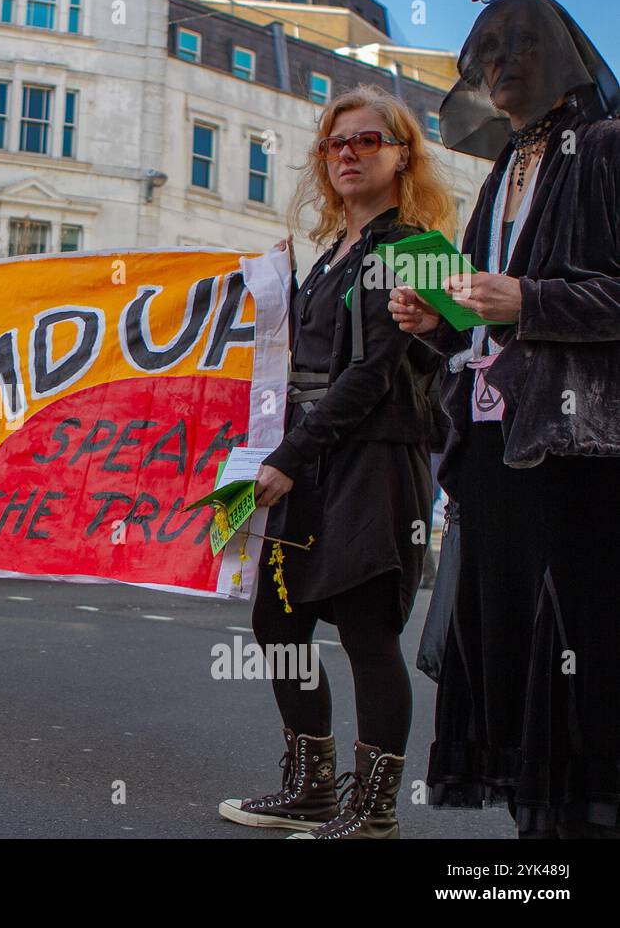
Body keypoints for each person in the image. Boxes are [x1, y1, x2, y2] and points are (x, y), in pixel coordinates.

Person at [391, 0, 620, 839]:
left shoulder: (605, 149)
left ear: (562, 59)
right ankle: (539, 847)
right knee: (518, 667)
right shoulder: (499, 178)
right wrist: (437, 326)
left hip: (581, 457)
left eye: (517, 48)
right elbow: (485, 332)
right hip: (496, 454)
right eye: (485, 54)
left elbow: (567, 302)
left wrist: (529, 299)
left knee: (577, 666)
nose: (499, 66)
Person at [217, 85, 454, 839]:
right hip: (304, 460)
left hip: (370, 464)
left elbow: (373, 373)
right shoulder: (325, 259)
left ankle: (372, 808)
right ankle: (310, 788)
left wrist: (287, 457)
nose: (347, 154)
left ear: (401, 154)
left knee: (365, 634)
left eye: (366, 142)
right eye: (334, 144)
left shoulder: (412, 250)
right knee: (277, 623)